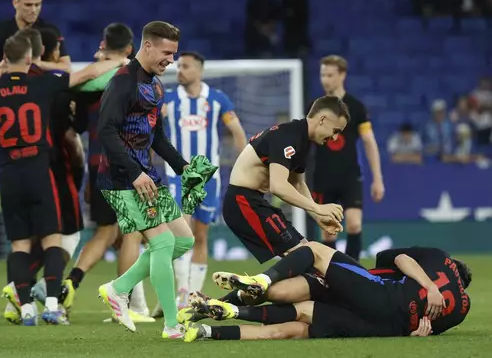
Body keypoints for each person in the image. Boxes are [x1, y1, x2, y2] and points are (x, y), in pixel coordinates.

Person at [38, 24, 153, 322]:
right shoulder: (134, 77)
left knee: (105, 232)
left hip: (96, 163)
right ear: (130, 48)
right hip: (128, 163)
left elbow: (67, 101)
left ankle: (71, 281)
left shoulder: (88, 80)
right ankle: (123, 306)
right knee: (132, 234)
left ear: (103, 44)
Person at [96, 21, 195, 339]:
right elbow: (106, 132)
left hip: (145, 175)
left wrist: (184, 168)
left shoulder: (155, 85)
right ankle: (171, 325)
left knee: (184, 240)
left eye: (174, 54)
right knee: (164, 242)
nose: (171, 59)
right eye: (167, 52)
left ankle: (117, 288)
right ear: (148, 46)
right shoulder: (123, 82)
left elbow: (158, 138)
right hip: (122, 178)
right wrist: (135, 173)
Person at [186, 243, 471, 341]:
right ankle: (215, 325)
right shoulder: (461, 310)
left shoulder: (439, 260)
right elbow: (425, 330)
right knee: (297, 323)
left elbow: (397, 259)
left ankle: (256, 283)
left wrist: (429, 285)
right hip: (380, 328)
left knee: (312, 254)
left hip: (368, 292)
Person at [156, 51, 246, 314]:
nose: (180, 70)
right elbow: (149, 130)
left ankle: (193, 294)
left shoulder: (217, 99)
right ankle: (181, 294)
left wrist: (245, 165)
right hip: (178, 177)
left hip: (209, 179)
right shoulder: (169, 100)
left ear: (199, 70)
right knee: (181, 234)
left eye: (185, 66)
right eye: (179, 65)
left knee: (201, 237)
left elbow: (237, 132)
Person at [220, 96, 347, 270]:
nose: (335, 138)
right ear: (322, 120)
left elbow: (298, 184)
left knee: (307, 255)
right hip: (243, 203)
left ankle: (245, 294)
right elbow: (278, 186)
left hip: (255, 202)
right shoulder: (288, 136)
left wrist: (318, 216)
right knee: (304, 260)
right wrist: (318, 208)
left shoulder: (302, 140)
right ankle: (237, 297)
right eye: (336, 130)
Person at [313, 55, 384, 260]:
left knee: (353, 224)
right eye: (322, 75)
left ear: (342, 75)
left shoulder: (357, 107)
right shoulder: (314, 107)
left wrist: (378, 179)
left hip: (349, 175)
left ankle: (353, 272)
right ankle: (331, 275)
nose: (325, 79)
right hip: (322, 176)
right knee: (328, 231)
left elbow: (369, 142)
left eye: (330, 75)